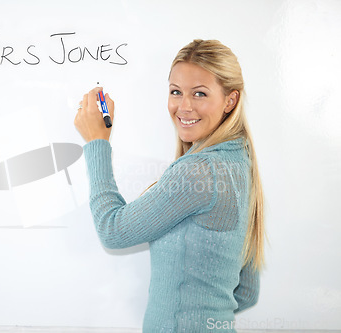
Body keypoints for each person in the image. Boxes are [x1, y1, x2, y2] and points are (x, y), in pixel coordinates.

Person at [74, 39, 264, 332]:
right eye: (176, 91)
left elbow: (112, 230)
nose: (183, 106)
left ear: (231, 100)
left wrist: (97, 142)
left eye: (199, 93)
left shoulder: (200, 172)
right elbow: (247, 293)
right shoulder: (240, 162)